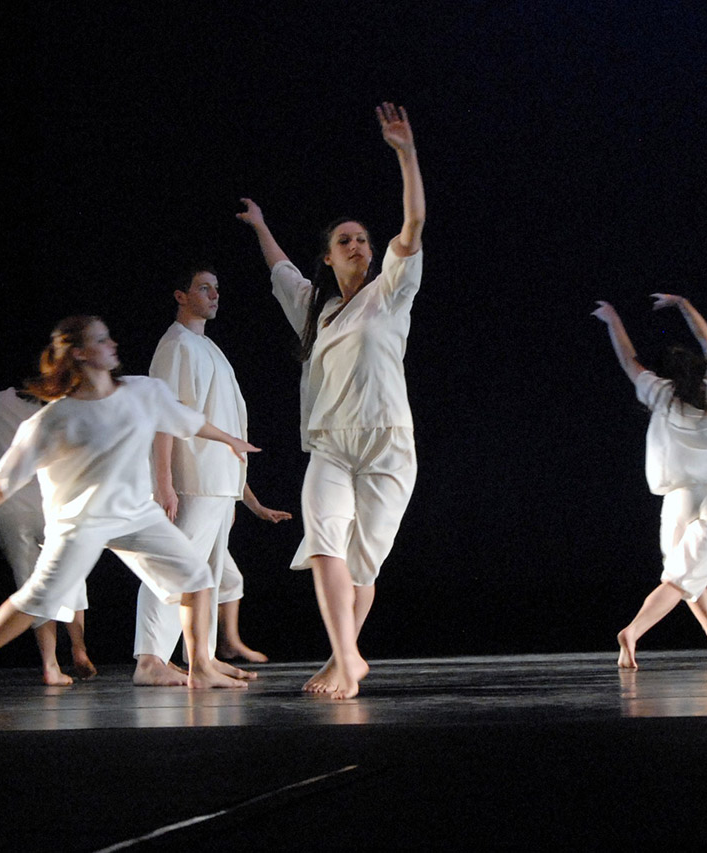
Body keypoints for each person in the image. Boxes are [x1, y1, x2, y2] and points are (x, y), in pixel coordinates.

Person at [0, 316, 258, 698]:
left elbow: (187, 421)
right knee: (38, 598)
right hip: (80, 522)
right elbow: (10, 473)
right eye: (102, 340)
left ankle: (201, 668)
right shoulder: (55, 418)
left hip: (136, 513)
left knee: (197, 576)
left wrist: (229, 440)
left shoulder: (143, 392)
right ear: (79, 354)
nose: (112, 345)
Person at [236, 102, 425, 699]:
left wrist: (405, 153)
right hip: (331, 446)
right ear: (329, 254)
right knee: (323, 545)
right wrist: (262, 224)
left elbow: (413, 227)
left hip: (389, 444)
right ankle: (347, 660)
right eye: (345, 240)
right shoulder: (315, 309)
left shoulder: (389, 294)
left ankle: (344, 657)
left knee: (362, 565)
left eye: (364, 239)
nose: (358, 245)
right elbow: (281, 270)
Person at [133, 267, 292, 686]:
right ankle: (149, 658)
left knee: (206, 574)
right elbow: (163, 414)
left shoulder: (210, 349)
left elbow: (229, 430)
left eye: (217, 288)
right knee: (173, 565)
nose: (214, 294)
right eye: (204, 287)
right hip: (192, 480)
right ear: (181, 295)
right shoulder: (175, 346)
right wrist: (164, 481)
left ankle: (200, 656)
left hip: (219, 483)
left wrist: (245, 496)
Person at [592, 295, 707, 668]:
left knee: (683, 568)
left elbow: (629, 361)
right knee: (682, 575)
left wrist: (614, 319)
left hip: (682, 493)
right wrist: (683, 304)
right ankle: (631, 633)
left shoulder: (663, 396)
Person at [0, 387, 98, 684]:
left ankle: (50, 664)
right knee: (72, 571)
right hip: (53, 499)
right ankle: (79, 648)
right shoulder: (61, 404)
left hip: (8, 505)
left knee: (31, 582)